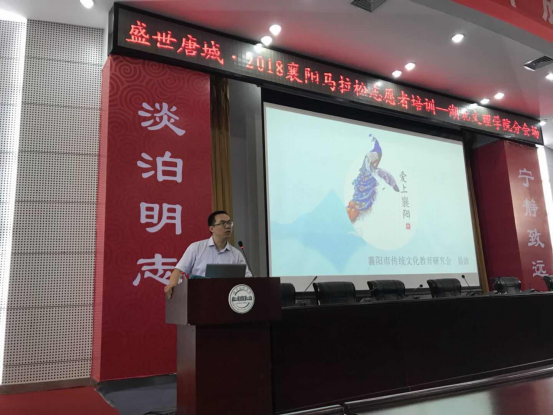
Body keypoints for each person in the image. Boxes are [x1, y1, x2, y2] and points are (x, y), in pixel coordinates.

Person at [164, 210, 252, 299]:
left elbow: (248, 279)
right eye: (222, 223)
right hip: (198, 298)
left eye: (229, 223)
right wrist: (172, 286)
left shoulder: (236, 254)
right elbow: (178, 271)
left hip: (228, 299)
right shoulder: (196, 248)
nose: (228, 226)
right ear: (211, 228)